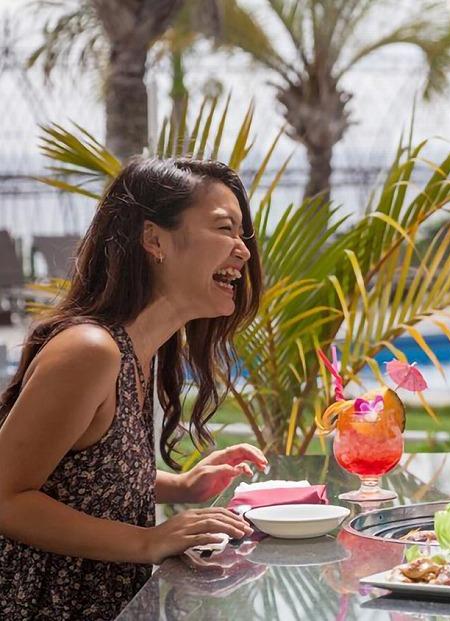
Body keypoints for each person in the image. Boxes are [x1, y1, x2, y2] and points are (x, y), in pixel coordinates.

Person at [0, 158, 270, 620]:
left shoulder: (140, 352)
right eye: (225, 228)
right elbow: (6, 497)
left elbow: (79, 477)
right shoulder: (91, 351)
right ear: (154, 239)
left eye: (241, 234)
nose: (243, 250)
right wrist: (150, 540)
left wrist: (181, 486)